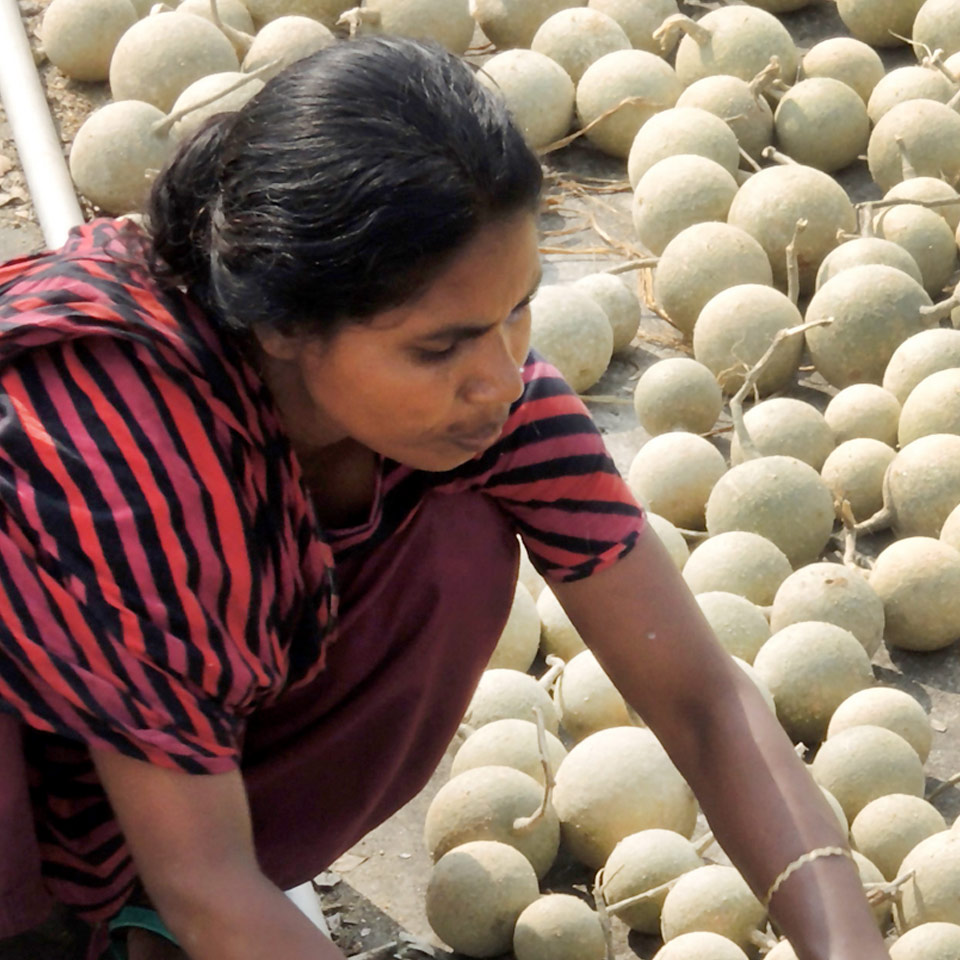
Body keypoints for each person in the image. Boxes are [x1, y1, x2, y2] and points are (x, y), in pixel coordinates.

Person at [0, 35, 888, 960]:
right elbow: (204, 883)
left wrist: (842, 942)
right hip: (37, 786)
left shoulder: (491, 405)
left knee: (458, 538)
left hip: (160, 770)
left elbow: (703, 702)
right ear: (284, 323)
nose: (499, 379)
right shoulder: (126, 445)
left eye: (518, 309)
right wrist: (207, 907)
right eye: (439, 347)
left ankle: (137, 914)